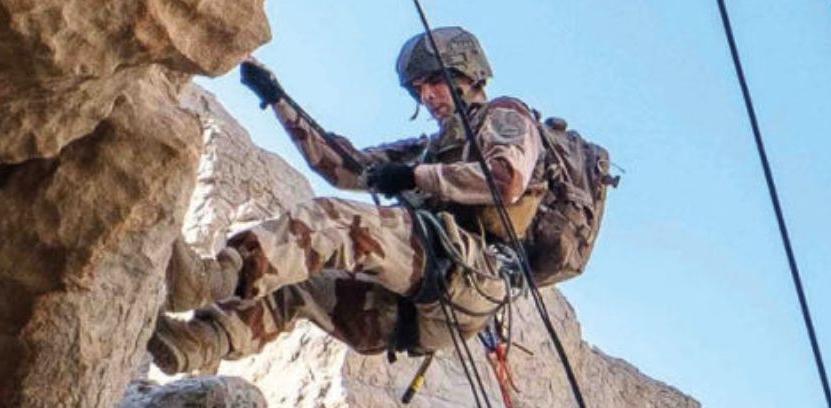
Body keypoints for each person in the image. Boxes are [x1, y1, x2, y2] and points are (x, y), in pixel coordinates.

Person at [147, 27, 541, 376]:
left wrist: (412, 177)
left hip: (469, 273)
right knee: (295, 280)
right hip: (408, 313)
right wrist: (278, 99)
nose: (428, 95)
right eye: (419, 89)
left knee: (332, 221)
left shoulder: (504, 116)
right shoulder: (427, 150)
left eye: (435, 80)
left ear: (469, 72)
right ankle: (198, 343)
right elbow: (342, 167)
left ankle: (208, 280)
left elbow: (505, 178)